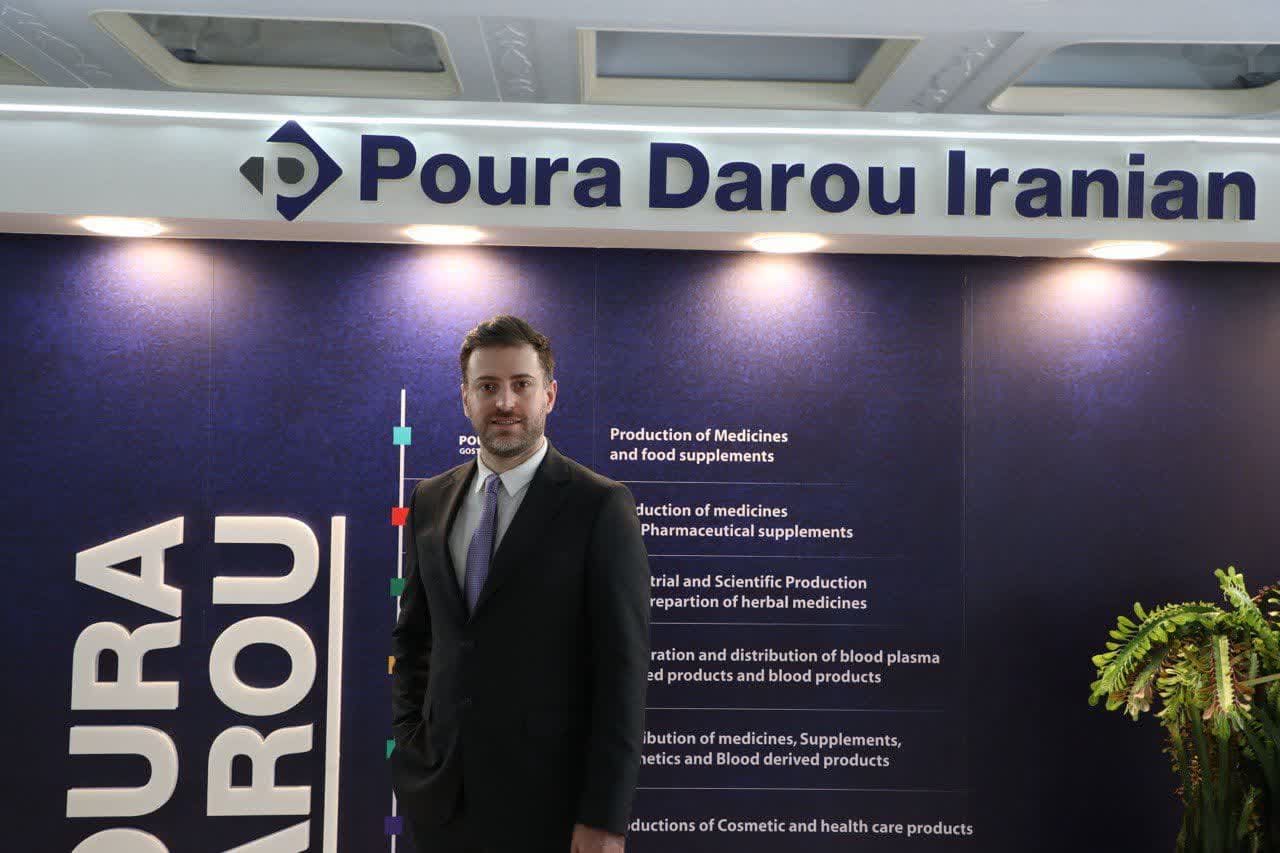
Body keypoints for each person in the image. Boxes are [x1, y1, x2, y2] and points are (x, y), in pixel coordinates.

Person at [390, 315, 651, 853]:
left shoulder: (599, 506)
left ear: (549, 395)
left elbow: (621, 674)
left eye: (521, 385)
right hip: (441, 802)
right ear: (466, 399)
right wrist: (412, 747)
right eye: (487, 387)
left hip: (552, 810)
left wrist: (604, 818)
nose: (505, 402)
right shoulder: (429, 499)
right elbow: (417, 639)